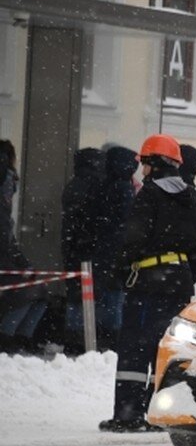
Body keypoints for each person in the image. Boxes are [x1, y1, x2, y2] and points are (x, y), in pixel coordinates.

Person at [100, 133, 196, 432]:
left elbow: (133, 238)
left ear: (155, 164)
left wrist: (120, 272)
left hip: (149, 283)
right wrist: (185, 275)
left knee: (134, 348)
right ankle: (158, 411)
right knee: (165, 349)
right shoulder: (190, 196)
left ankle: (128, 414)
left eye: (145, 163)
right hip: (178, 282)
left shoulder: (149, 195)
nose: (142, 169)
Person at [0, 140, 48, 353]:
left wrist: (24, 264)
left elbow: (8, 239)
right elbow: (6, 239)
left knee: (38, 289)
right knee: (27, 292)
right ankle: (8, 336)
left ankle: (19, 337)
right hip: (5, 259)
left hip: (6, 257)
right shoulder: (5, 185)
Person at [91, 145, 138, 350]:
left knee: (105, 295)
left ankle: (102, 333)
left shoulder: (103, 185)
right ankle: (112, 338)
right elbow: (127, 221)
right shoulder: (125, 188)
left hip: (103, 249)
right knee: (115, 296)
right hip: (117, 250)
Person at [61, 148, 106, 352]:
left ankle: (72, 338)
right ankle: (84, 340)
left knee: (75, 294)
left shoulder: (73, 185)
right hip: (88, 249)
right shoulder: (96, 186)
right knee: (88, 296)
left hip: (72, 246)